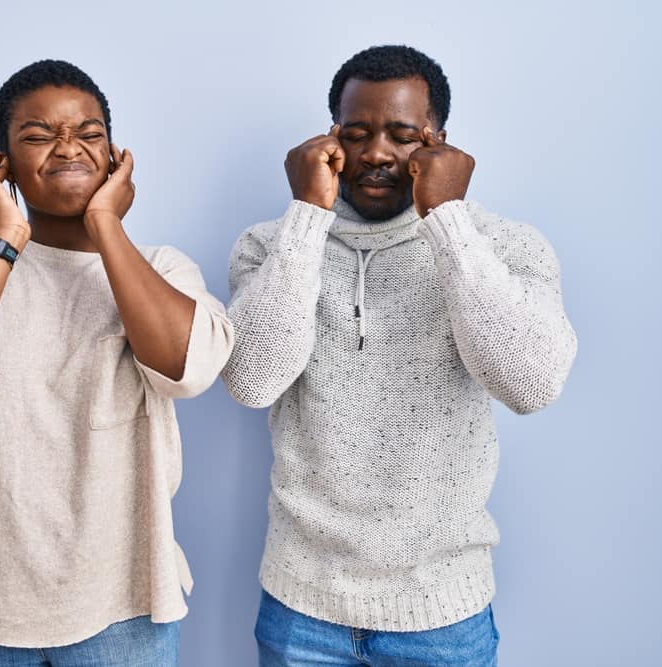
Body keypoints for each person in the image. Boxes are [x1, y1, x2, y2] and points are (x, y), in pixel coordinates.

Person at [0, 59, 233, 666]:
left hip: (127, 606)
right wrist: (4, 240)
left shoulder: (163, 269)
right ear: (0, 165)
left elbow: (187, 370)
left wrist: (105, 223)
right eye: (38, 136)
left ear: (115, 157)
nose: (68, 148)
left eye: (90, 133)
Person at [222, 45, 577, 666]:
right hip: (301, 609)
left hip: (443, 612)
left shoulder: (503, 246)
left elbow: (531, 384)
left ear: (440, 143)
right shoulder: (271, 246)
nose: (379, 153)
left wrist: (449, 220)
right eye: (357, 134)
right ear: (331, 139)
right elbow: (254, 378)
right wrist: (308, 213)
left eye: (403, 135)